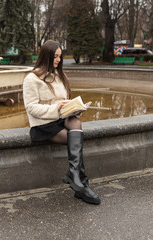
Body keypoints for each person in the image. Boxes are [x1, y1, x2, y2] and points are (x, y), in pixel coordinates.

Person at [23, 40, 100, 205]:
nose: (58, 60)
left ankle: (76, 178)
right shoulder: (32, 78)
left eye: (59, 56)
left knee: (76, 124)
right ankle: (81, 183)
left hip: (61, 118)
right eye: (55, 56)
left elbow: (65, 101)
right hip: (43, 124)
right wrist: (56, 107)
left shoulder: (59, 75)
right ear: (46, 56)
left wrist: (74, 108)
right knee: (75, 139)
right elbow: (31, 108)